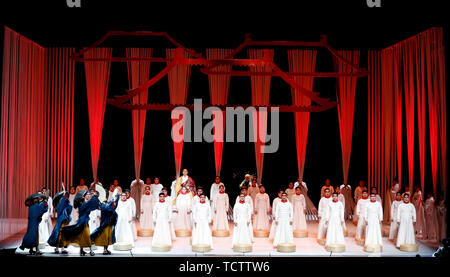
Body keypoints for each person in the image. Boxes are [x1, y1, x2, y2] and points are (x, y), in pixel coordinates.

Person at [61, 191, 100, 256]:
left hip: (83, 221)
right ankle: (90, 251)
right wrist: (94, 196)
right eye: (86, 195)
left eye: (88, 195)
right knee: (87, 236)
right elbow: (90, 204)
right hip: (83, 222)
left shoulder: (82, 203)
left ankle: (81, 250)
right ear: (82, 197)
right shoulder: (83, 204)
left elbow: (90, 205)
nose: (87, 196)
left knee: (82, 237)